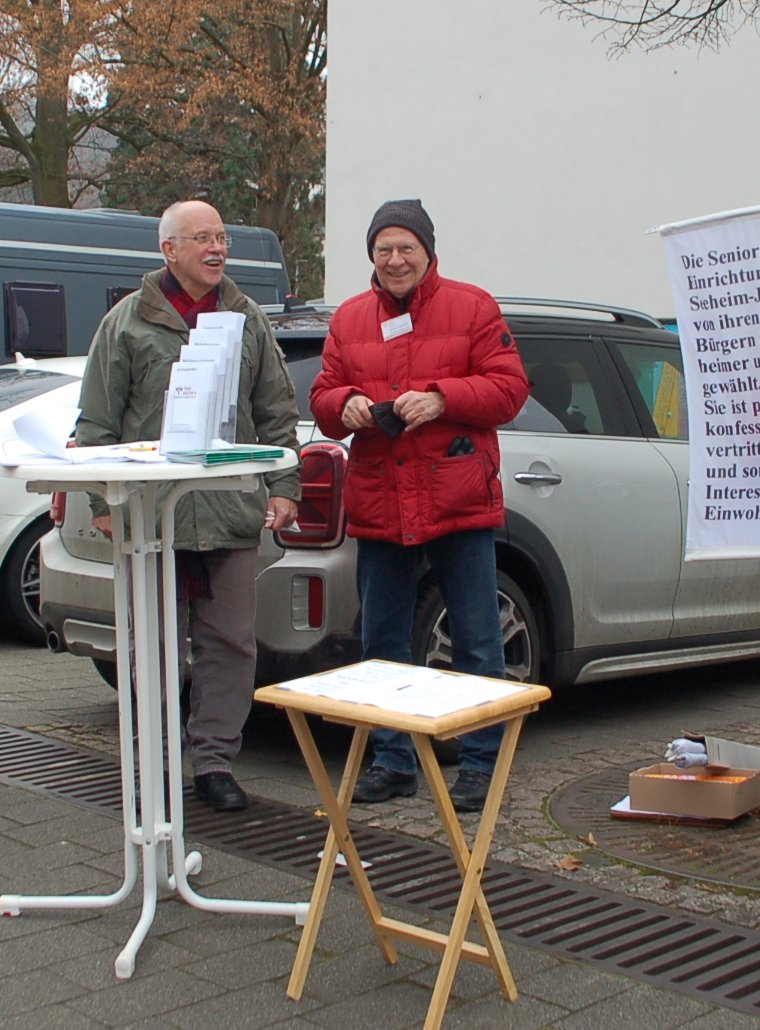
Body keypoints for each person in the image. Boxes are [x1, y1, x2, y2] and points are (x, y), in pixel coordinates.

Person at [74, 199, 302, 813]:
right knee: (149, 641)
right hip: (149, 517)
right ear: (168, 250)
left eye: (222, 237)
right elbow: (96, 421)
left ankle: (214, 763)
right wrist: (100, 499)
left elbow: (277, 414)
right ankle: (154, 760)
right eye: (201, 238)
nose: (216, 248)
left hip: (228, 513)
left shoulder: (246, 318)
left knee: (229, 642)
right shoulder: (126, 323)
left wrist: (284, 487)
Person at [310, 199, 530, 814]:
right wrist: (346, 404)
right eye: (385, 249)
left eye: (407, 247)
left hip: (456, 492)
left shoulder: (473, 306)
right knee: (381, 639)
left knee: (477, 640)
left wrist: (440, 398)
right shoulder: (351, 317)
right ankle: (392, 759)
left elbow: (510, 389)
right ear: (371, 257)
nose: (396, 259)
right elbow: (323, 393)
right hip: (382, 495)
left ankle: (481, 765)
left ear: (429, 252)